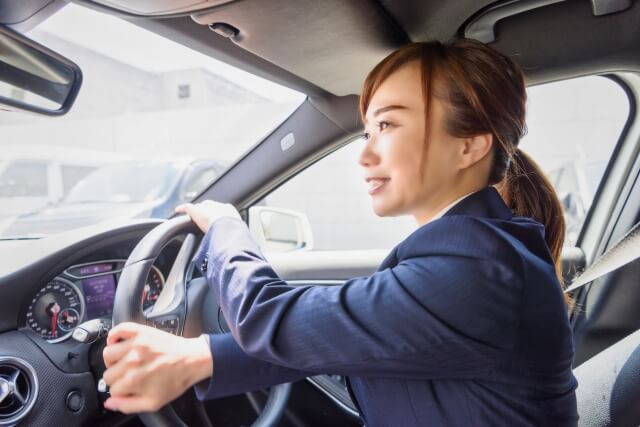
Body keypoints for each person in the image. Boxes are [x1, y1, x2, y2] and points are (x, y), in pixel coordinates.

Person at [101, 39, 578, 426]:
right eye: (367, 131)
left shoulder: (476, 271)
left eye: (387, 124)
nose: (364, 155)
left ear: (469, 146)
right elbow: (360, 332)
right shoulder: (478, 253)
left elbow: (268, 318)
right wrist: (199, 358)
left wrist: (225, 226)